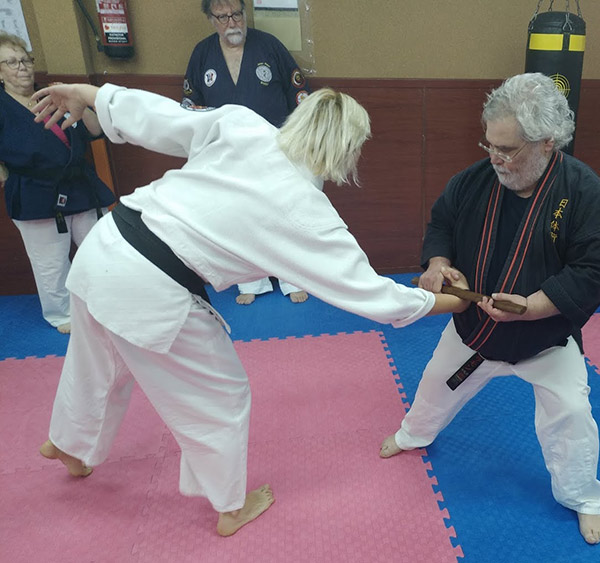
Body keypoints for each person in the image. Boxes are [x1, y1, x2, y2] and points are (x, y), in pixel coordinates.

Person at [30, 82, 472, 537]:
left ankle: (68, 444)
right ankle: (230, 508)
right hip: (148, 284)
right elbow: (375, 296)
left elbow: (160, 118)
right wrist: (456, 303)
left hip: (104, 245)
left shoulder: (242, 124)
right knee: (222, 393)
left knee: (98, 359)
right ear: (348, 148)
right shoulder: (308, 212)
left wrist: (91, 94)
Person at [379, 73, 600, 545]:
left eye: (507, 150)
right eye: (489, 145)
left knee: (572, 415)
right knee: (434, 387)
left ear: (547, 142)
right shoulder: (473, 181)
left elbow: (594, 270)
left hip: (545, 341)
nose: (495, 158)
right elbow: (441, 224)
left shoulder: (584, 193)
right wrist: (439, 264)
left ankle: (583, 497)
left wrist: (531, 307)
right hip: (475, 334)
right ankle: (413, 436)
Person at [184, 0, 312, 305]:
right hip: (226, 152)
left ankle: (291, 278)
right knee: (238, 218)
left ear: (245, 13)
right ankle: (251, 282)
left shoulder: (270, 47)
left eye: (236, 14)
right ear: (211, 19)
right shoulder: (202, 54)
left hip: (274, 148)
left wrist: (300, 136)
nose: (231, 22)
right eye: (222, 17)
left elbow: (299, 93)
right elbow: (190, 104)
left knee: (282, 215)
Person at [0, 33, 114, 333]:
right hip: (35, 192)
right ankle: (61, 313)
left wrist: (80, 103)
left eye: (26, 60)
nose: (22, 67)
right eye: (12, 62)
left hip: (80, 185)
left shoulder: (51, 94)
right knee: (50, 262)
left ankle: (107, 303)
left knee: (102, 248)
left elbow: (95, 131)